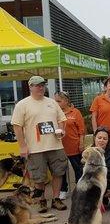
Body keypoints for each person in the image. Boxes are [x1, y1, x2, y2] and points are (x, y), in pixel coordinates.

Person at [11, 76, 68, 213]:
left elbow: (61, 119)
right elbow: (17, 126)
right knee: (38, 176)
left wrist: (62, 130)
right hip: (35, 148)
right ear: (30, 87)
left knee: (58, 172)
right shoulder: (22, 104)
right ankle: (41, 200)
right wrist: (22, 146)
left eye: (42, 85)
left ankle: (56, 199)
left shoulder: (52, 103)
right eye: (37, 85)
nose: (40, 88)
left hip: (55, 145)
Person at [54, 91, 85, 199]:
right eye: (55, 101)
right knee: (60, 169)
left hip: (74, 146)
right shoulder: (55, 113)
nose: (56, 103)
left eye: (59, 101)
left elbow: (81, 130)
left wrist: (81, 143)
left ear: (66, 101)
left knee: (78, 168)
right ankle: (63, 189)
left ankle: (79, 188)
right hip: (59, 146)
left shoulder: (75, 112)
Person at [90, 76, 110, 152]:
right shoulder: (98, 99)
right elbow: (94, 117)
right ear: (105, 87)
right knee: (102, 154)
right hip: (102, 135)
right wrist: (95, 132)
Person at [92, 126, 110, 211]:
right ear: (94, 138)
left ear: (108, 141)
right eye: (99, 138)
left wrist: (109, 188)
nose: (101, 140)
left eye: (105, 139)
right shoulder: (88, 152)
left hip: (107, 180)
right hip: (93, 182)